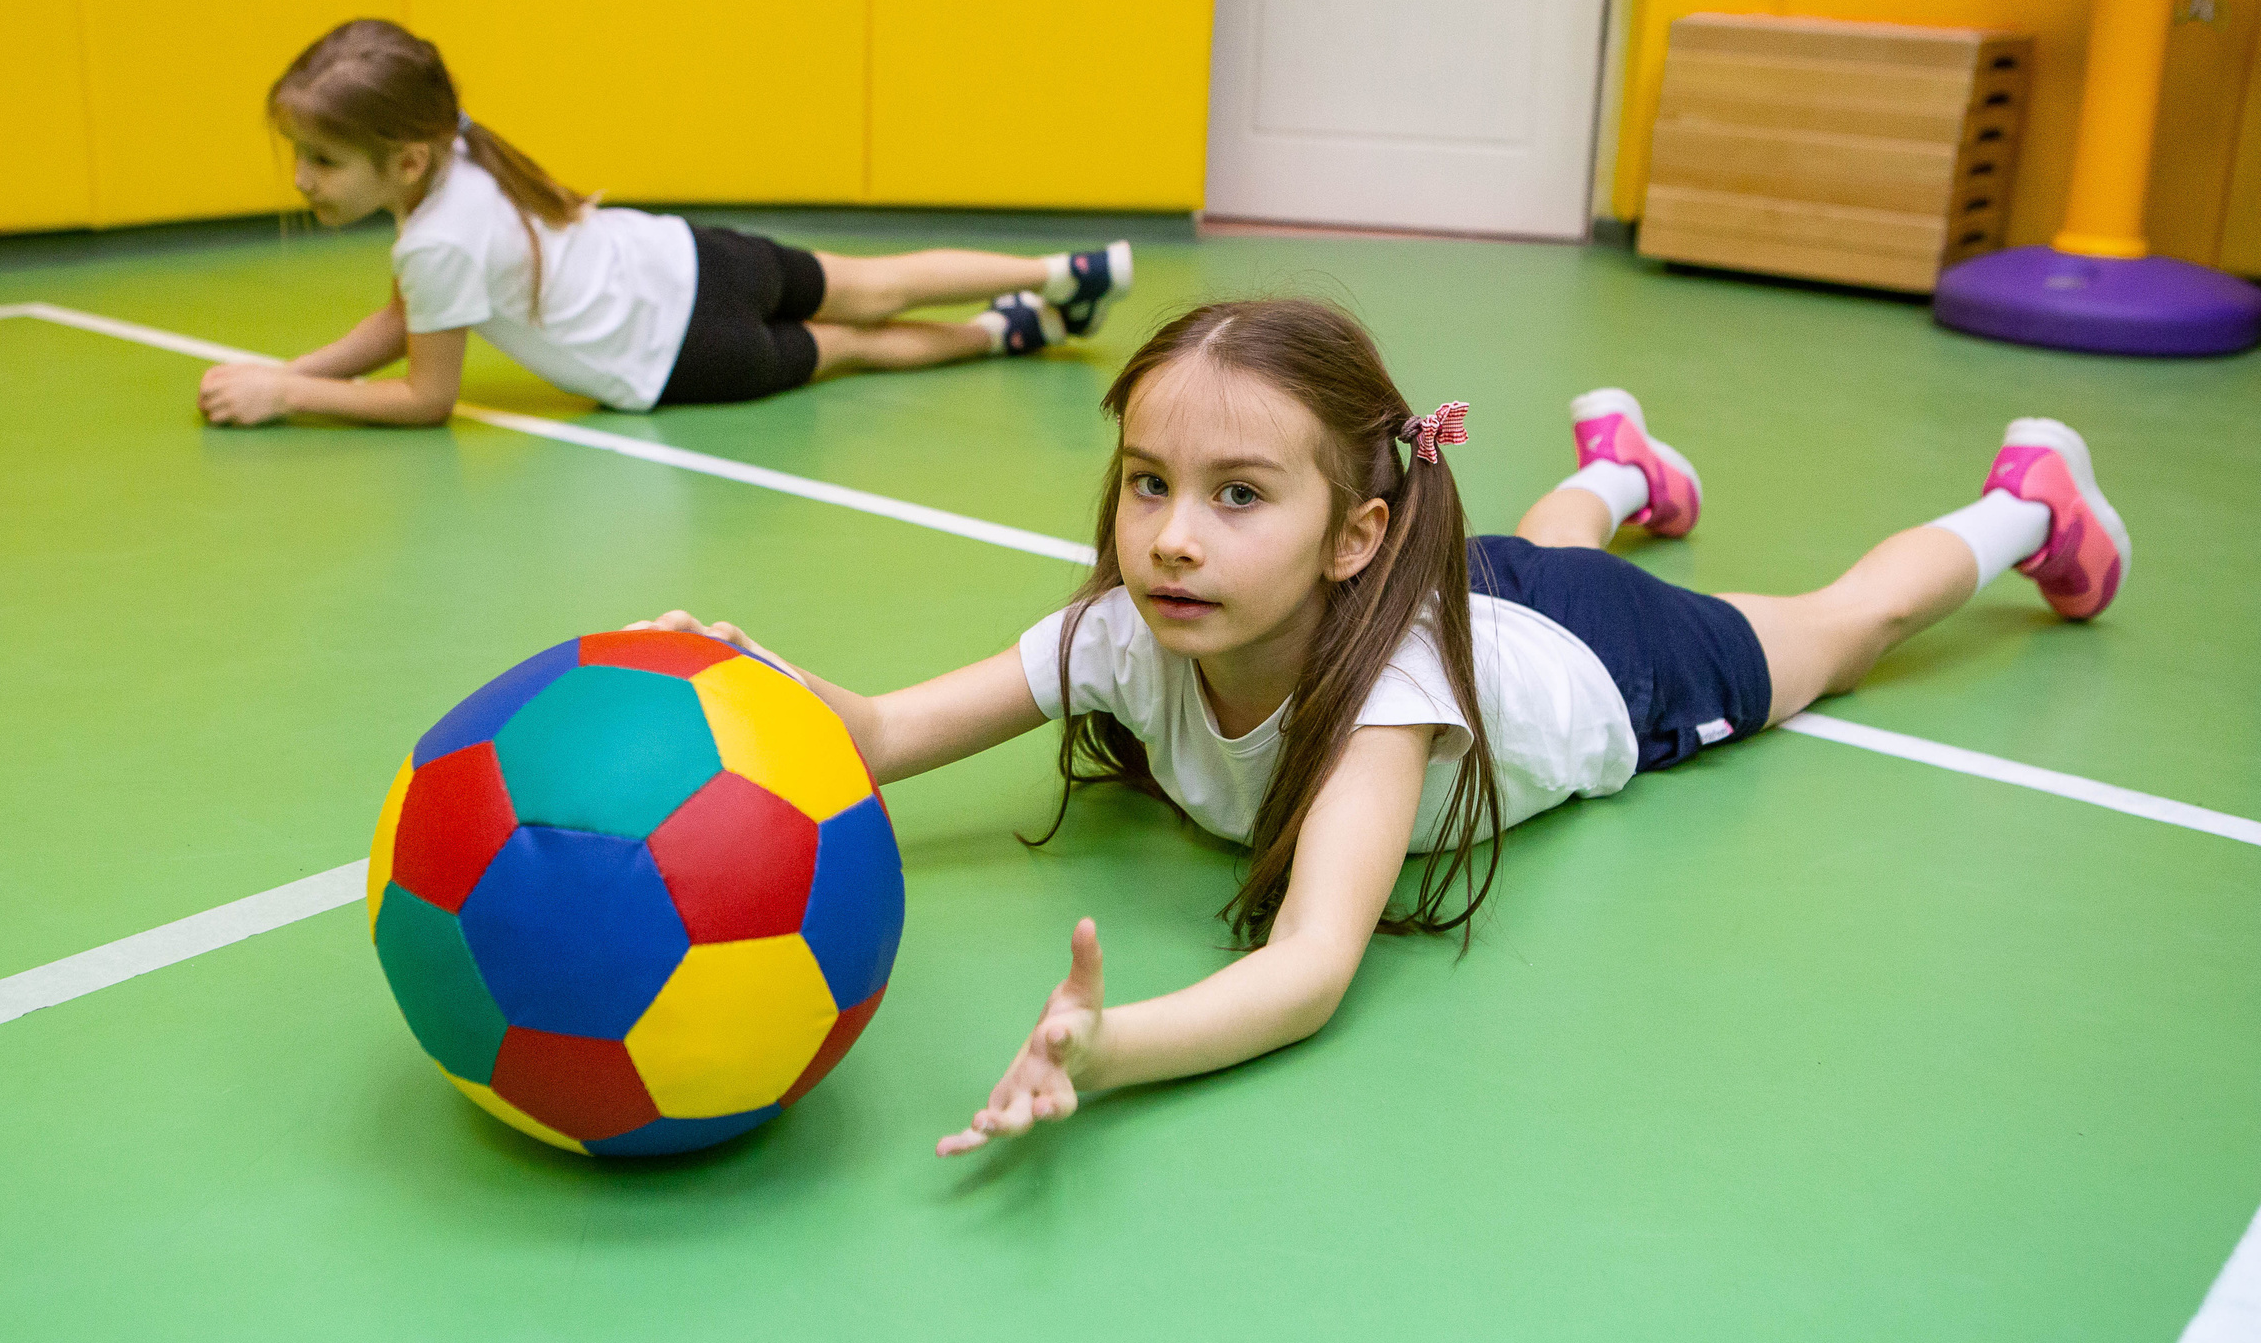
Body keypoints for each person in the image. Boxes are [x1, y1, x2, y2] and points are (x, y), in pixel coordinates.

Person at [633, 297, 2130, 1157]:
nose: (1167, 535)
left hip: (1596, 664)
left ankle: (2027, 507)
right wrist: (772, 694)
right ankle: (1617, 472)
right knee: (1533, 547)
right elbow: (885, 731)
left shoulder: (1383, 703)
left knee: (1838, 627)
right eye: (1149, 480)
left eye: (1235, 493)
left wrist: (1113, 1049)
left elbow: (1309, 962)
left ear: (1347, 530)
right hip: (1452, 590)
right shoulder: (1143, 623)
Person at [196, 19, 1130, 425]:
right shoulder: (464, 142)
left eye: (321, 159)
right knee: (872, 280)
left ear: (402, 160)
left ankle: (1005, 333)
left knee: (850, 345)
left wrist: (289, 392)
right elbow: (406, 318)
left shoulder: (433, 241)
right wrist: (286, 366)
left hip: (674, 359)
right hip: (690, 256)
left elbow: (424, 395)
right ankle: (1059, 272)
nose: (302, 179)